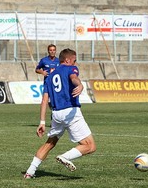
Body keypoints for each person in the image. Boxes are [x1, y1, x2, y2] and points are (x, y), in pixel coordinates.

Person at [24, 48, 96, 179]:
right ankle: (65, 157)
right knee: (90, 146)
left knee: (49, 143)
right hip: (70, 112)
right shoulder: (71, 69)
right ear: (68, 60)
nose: (75, 63)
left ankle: (30, 172)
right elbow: (74, 78)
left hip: (56, 114)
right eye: (74, 60)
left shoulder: (50, 76)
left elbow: (44, 100)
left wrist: (42, 122)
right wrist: (80, 85)